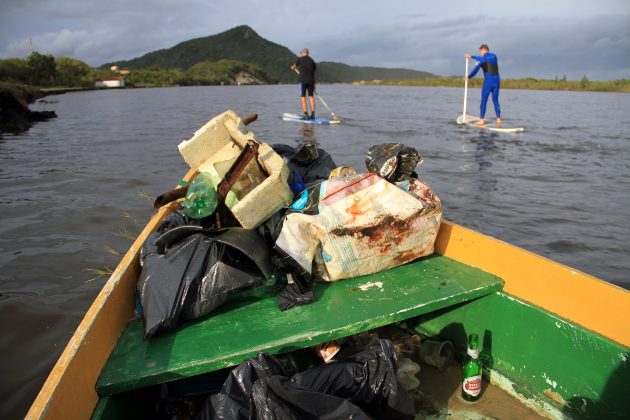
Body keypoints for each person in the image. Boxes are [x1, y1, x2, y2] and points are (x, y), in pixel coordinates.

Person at [465, 44, 501, 127]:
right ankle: (498, 119)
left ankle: (481, 120)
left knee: (484, 100)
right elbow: (483, 58)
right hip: (497, 81)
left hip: (488, 82)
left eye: (480, 51)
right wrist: (472, 56)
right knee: (495, 101)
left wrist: (468, 77)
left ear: (482, 49)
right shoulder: (494, 56)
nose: (479, 53)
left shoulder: (482, 59)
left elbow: (475, 70)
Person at [291, 48, 317, 120]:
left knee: (303, 98)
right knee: (311, 97)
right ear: (308, 53)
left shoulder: (299, 59)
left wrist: (292, 67)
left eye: (301, 53)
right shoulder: (312, 61)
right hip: (311, 81)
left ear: (303, 53)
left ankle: (305, 114)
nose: (300, 54)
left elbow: (293, 66)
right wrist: (314, 84)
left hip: (302, 81)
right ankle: (313, 114)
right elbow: (314, 74)